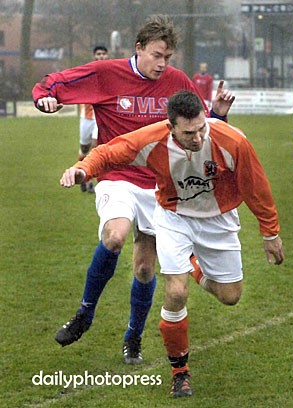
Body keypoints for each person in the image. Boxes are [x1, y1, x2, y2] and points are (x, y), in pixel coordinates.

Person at [32, 15, 234, 365]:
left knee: (144, 269)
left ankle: (133, 337)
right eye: (157, 55)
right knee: (115, 235)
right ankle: (85, 314)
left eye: (168, 57)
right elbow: (53, 83)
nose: (163, 64)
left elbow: (200, 131)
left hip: (159, 186)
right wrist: (44, 99)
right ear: (138, 48)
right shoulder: (107, 73)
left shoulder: (177, 82)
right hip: (116, 176)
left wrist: (217, 114)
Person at [60, 90, 285, 398]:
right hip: (173, 218)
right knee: (175, 293)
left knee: (231, 296)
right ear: (171, 127)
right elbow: (111, 152)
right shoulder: (153, 139)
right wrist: (83, 168)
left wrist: (270, 232)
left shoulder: (232, 141)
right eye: (189, 132)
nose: (197, 137)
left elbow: (256, 186)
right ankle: (180, 372)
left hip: (218, 221)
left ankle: (194, 266)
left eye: (202, 128)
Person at [79, 45, 109, 193]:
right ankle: (81, 175)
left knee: (96, 147)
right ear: (94, 56)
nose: (101, 56)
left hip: (101, 117)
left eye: (104, 54)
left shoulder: (112, 73)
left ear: (107, 56)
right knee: (84, 148)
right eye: (98, 54)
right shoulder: (87, 72)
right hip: (86, 117)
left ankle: (91, 182)